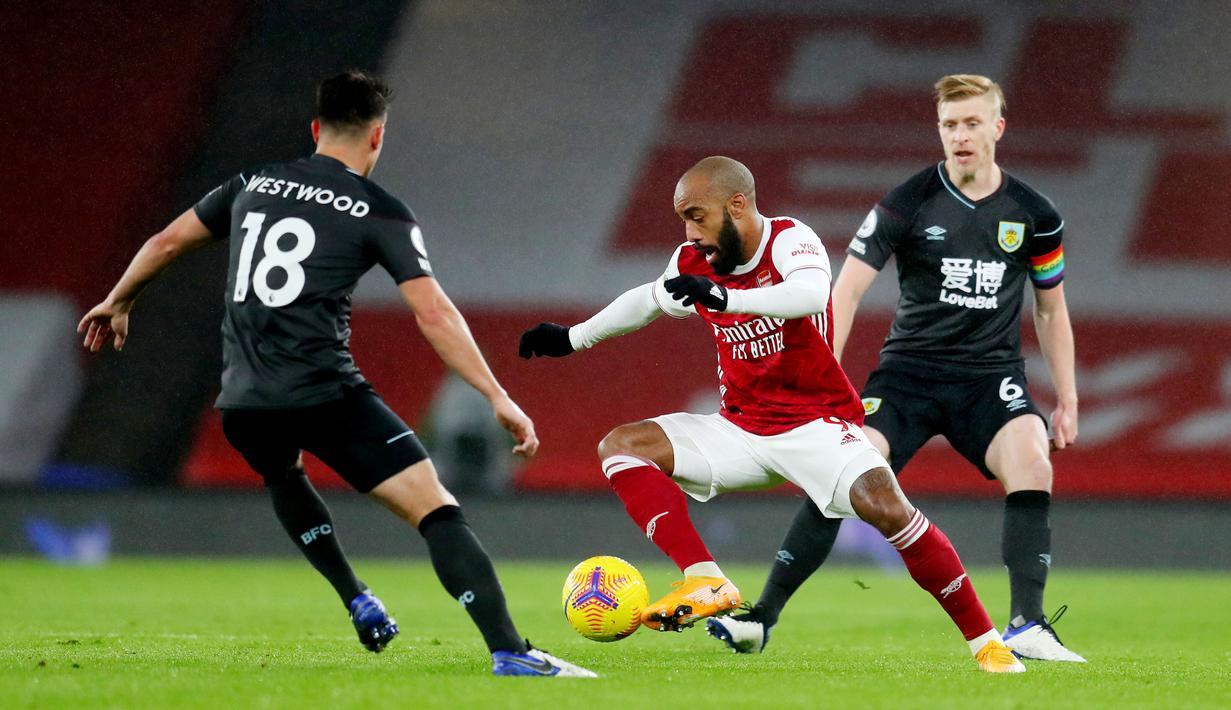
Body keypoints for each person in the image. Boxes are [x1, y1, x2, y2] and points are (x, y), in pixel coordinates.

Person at [78, 71, 594, 678]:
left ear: (316, 129)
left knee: (282, 474)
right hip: (324, 392)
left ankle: (356, 596)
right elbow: (432, 310)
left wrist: (119, 300)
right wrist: (495, 394)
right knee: (436, 510)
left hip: (242, 398)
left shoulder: (252, 182)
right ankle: (511, 651)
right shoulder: (380, 211)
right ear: (377, 137)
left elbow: (166, 242)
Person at [520, 155, 1025, 673]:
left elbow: (810, 293)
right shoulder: (694, 259)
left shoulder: (788, 239)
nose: (690, 232)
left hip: (815, 424)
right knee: (621, 447)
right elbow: (647, 300)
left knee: (889, 509)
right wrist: (570, 339)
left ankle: (987, 643)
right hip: (738, 428)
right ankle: (706, 578)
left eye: (697, 215)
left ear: (737, 205)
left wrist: (724, 297)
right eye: (684, 220)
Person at [708, 74, 1084, 663]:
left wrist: (1067, 398)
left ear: (997, 128)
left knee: (1032, 461)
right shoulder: (906, 202)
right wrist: (821, 377)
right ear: (940, 129)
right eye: (949, 124)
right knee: (846, 472)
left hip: (990, 379)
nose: (960, 136)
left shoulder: (1036, 214)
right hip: (908, 375)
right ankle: (762, 616)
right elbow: (846, 291)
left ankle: (1027, 624)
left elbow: (1050, 306)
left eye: (972, 123)